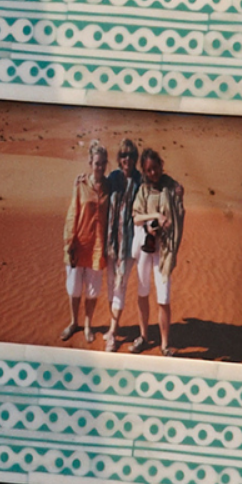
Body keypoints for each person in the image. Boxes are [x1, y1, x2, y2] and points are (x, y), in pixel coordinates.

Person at [120, 145, 185, 352]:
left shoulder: (171, 187)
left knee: (163, 296)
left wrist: (180, 197)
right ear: (145, 171)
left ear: (160, 165)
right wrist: (155, 217)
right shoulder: (143, 190)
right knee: (142, 291)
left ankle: (165, 344)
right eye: (148, 170)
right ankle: (143, 336)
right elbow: (136, 216)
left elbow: (179, 212)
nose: (153, 173)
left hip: (164, 249)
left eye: (155, 168)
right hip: (145, 248)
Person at [59, 139, 109, 341]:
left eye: (103, 163)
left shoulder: (109, 186)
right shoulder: (80, 184)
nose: (100, 167)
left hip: (98, 247)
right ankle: (74, 322)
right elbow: (73, 213)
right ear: (90, 163)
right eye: (97, 163)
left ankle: (88, 325)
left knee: (92, 290)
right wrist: (69, 241)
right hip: (79, 244)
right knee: (74, 288)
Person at [99, 137, 141, 350]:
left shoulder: (140, 181)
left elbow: (160, 183)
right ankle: (111, 326)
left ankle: (113, 333)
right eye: (124, 155)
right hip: (111, 243)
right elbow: (96, 183)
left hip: (128, 246)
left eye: (131, 155)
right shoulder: (113, 178)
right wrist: (82, 179)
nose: (127, 159)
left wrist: (176, 187)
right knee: (110, 286)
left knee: (120, 286)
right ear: (119, 158)